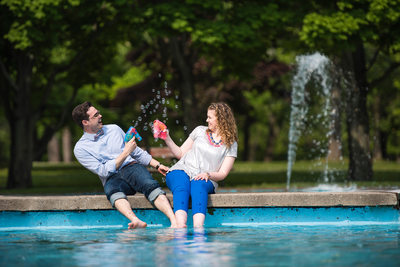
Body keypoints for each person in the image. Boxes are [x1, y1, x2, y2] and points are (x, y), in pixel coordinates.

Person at [72, 101, 177, 229]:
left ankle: (174, 221)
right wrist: (126, 152)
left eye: (99, 113)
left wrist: (157, 165)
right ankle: (135, 220)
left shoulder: (114, 129)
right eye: (96, 115)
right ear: (85, 122)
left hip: (131, 167)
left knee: (150, 185)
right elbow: (103, 171)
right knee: (112, 191)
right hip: (112, 177)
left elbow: (137, 152)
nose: (100, 116)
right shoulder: (81, 148)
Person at [162, 102, 238, 228]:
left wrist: (208, 174)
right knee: (182, 185)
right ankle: (180, 225)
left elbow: (223, 173)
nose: (206, 120)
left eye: (210, 117)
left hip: (207, 177)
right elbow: (180, 153)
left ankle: (199, 229)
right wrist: (167, 138)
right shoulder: (199, 131)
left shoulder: (231, 143)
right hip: (183, 169)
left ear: (221, 119)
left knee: (198, 186)